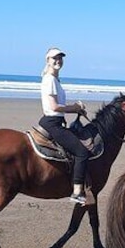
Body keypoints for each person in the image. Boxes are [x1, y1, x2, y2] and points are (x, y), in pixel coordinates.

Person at [38, 47, 91, 205]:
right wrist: (74, 107)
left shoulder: (54, 79)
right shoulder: (50, 80)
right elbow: (54, 107)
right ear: (47, 60)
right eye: (55, 58)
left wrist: (76, 109)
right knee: (82, 152)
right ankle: (76, 192)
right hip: (53, 123)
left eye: (60, 58)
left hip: (55, 121)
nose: (58, 60)